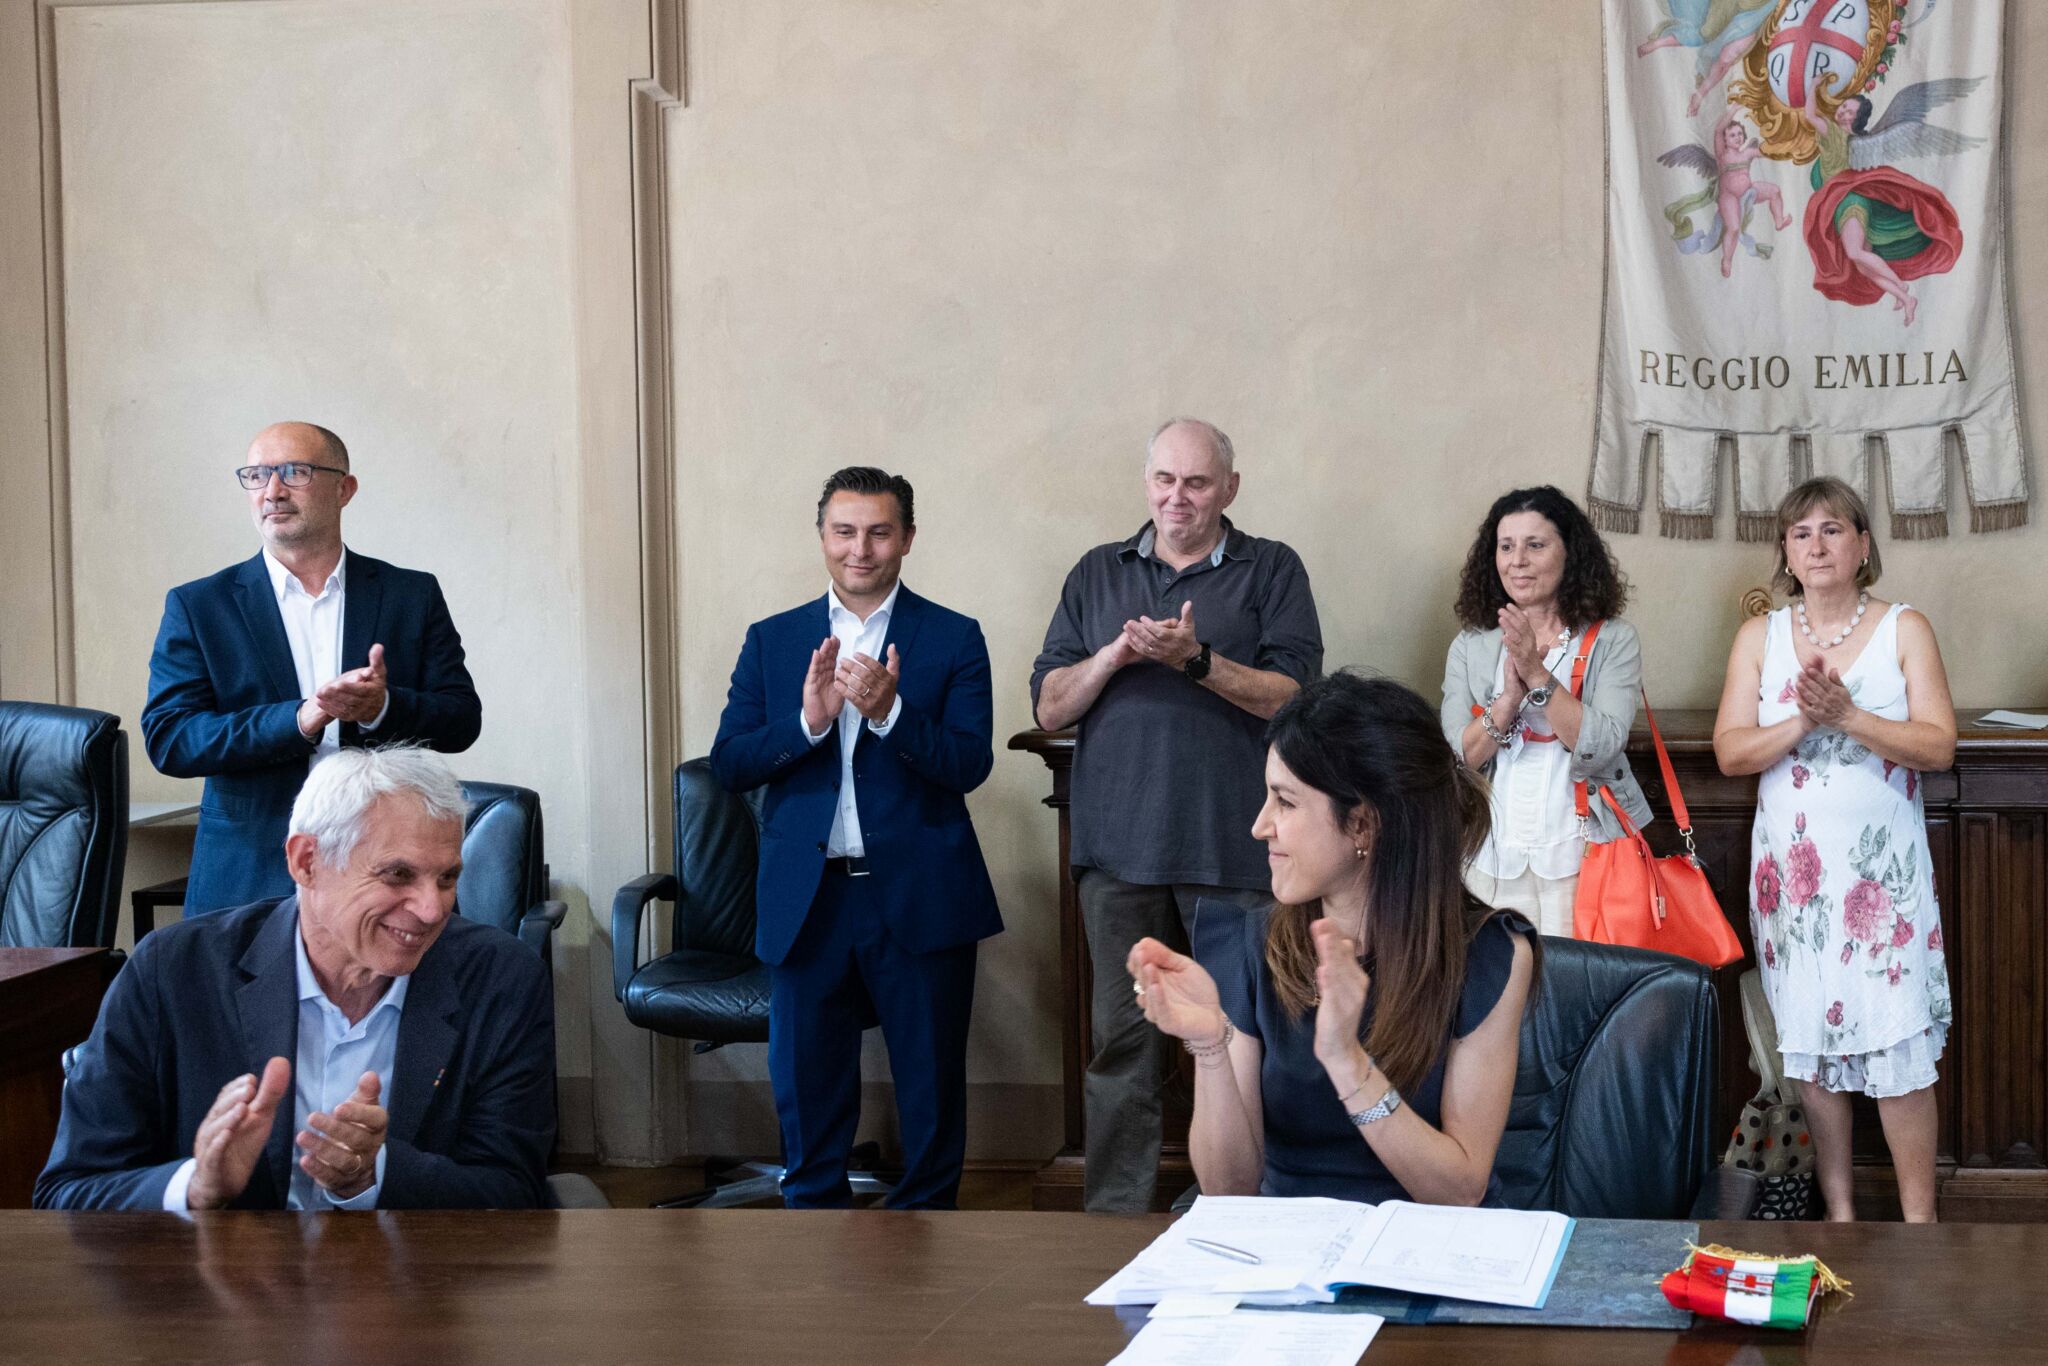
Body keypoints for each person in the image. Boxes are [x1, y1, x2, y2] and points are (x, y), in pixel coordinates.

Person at [36, 746, 554, 1211]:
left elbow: (515, 1190)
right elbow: (71, 1190)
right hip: (224, 1281)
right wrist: (198, 1187)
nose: (431, 909)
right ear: (307, 861)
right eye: (398, 875)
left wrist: (375, 1174)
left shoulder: (501, 978)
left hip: (415, 1278)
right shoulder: (171, 972)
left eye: (447, 878)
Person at [1031, 417, 1323, 1212]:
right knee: (1120, 1046)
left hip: (1237, 853)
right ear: (1147, 482)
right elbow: (1050, 705)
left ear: (1230, 488)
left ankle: (1238, 1211)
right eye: (1165, 480)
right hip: (1117, 852)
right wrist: (1114, 655)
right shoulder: (1098, 572)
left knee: (1242, 1043)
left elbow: (1295, 696)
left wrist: (1195, 660)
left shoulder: (1271, 569)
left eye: (1196, 482)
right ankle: (1115, 1222)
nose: (1178, 497)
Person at [1128, 673, 1537, 1205]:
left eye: (1285, 802)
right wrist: (1210, 1047)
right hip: (1288, 1242)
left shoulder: (1490, 955)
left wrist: (1348, 1062)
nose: (1260, 826)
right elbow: (1229, 1190)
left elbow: (1458, 1192)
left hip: (1428, 1241)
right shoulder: (1250, 944)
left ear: (1362, 825)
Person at [710, 466, 1001, 1209]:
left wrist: (891, 715)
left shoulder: (954, 636)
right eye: (844, 532)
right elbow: (730, 763)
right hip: (808, 897)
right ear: (822, 537)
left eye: (878, 532)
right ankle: (815, 1226)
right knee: (807, 1084)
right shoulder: (773, 639)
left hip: (922, 893)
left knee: (931, 1083)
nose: (860, 549)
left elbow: (969, 764)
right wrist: (808, 723)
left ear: (907, 538)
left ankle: (928, 1227)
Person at [1713, 476, 1954, 1222]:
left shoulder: (1904, 628)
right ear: (1786, 553)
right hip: (1797, 883)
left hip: (1883, 881)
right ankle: (1840, 1217)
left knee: (1897, 1041)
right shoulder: (1759, 637)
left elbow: (1938, 746)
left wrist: (1848, 716)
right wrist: (1803, 722)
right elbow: (1730, 752)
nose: (1816, 546)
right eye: (1801, 533)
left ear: (1863, 545)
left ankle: (1921, 1224)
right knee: (1810, 1046)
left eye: (1832, 530)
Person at [142, 422, 483, 915]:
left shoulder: (411, 594)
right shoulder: (200, 606)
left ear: (345, 489)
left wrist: (381, 707)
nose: (272, 491)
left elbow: (462, 720)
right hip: (249, 876)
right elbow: (171, 738)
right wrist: (299, 719)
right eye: (257, 475)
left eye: (294, 472)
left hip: (389, 867)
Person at [1440, 486, 1648, 938]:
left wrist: (1536, 675)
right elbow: (1459, 757)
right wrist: (1507, 701)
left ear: (1570, 553)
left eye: (1535, 545)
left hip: (1581, 852)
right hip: (1490, 853)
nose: (1517, 560)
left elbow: (1603, 745)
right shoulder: (1471, 646)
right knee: (1496, 976)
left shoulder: (1613, 640)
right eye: (1506, 546)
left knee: (1572, 976)